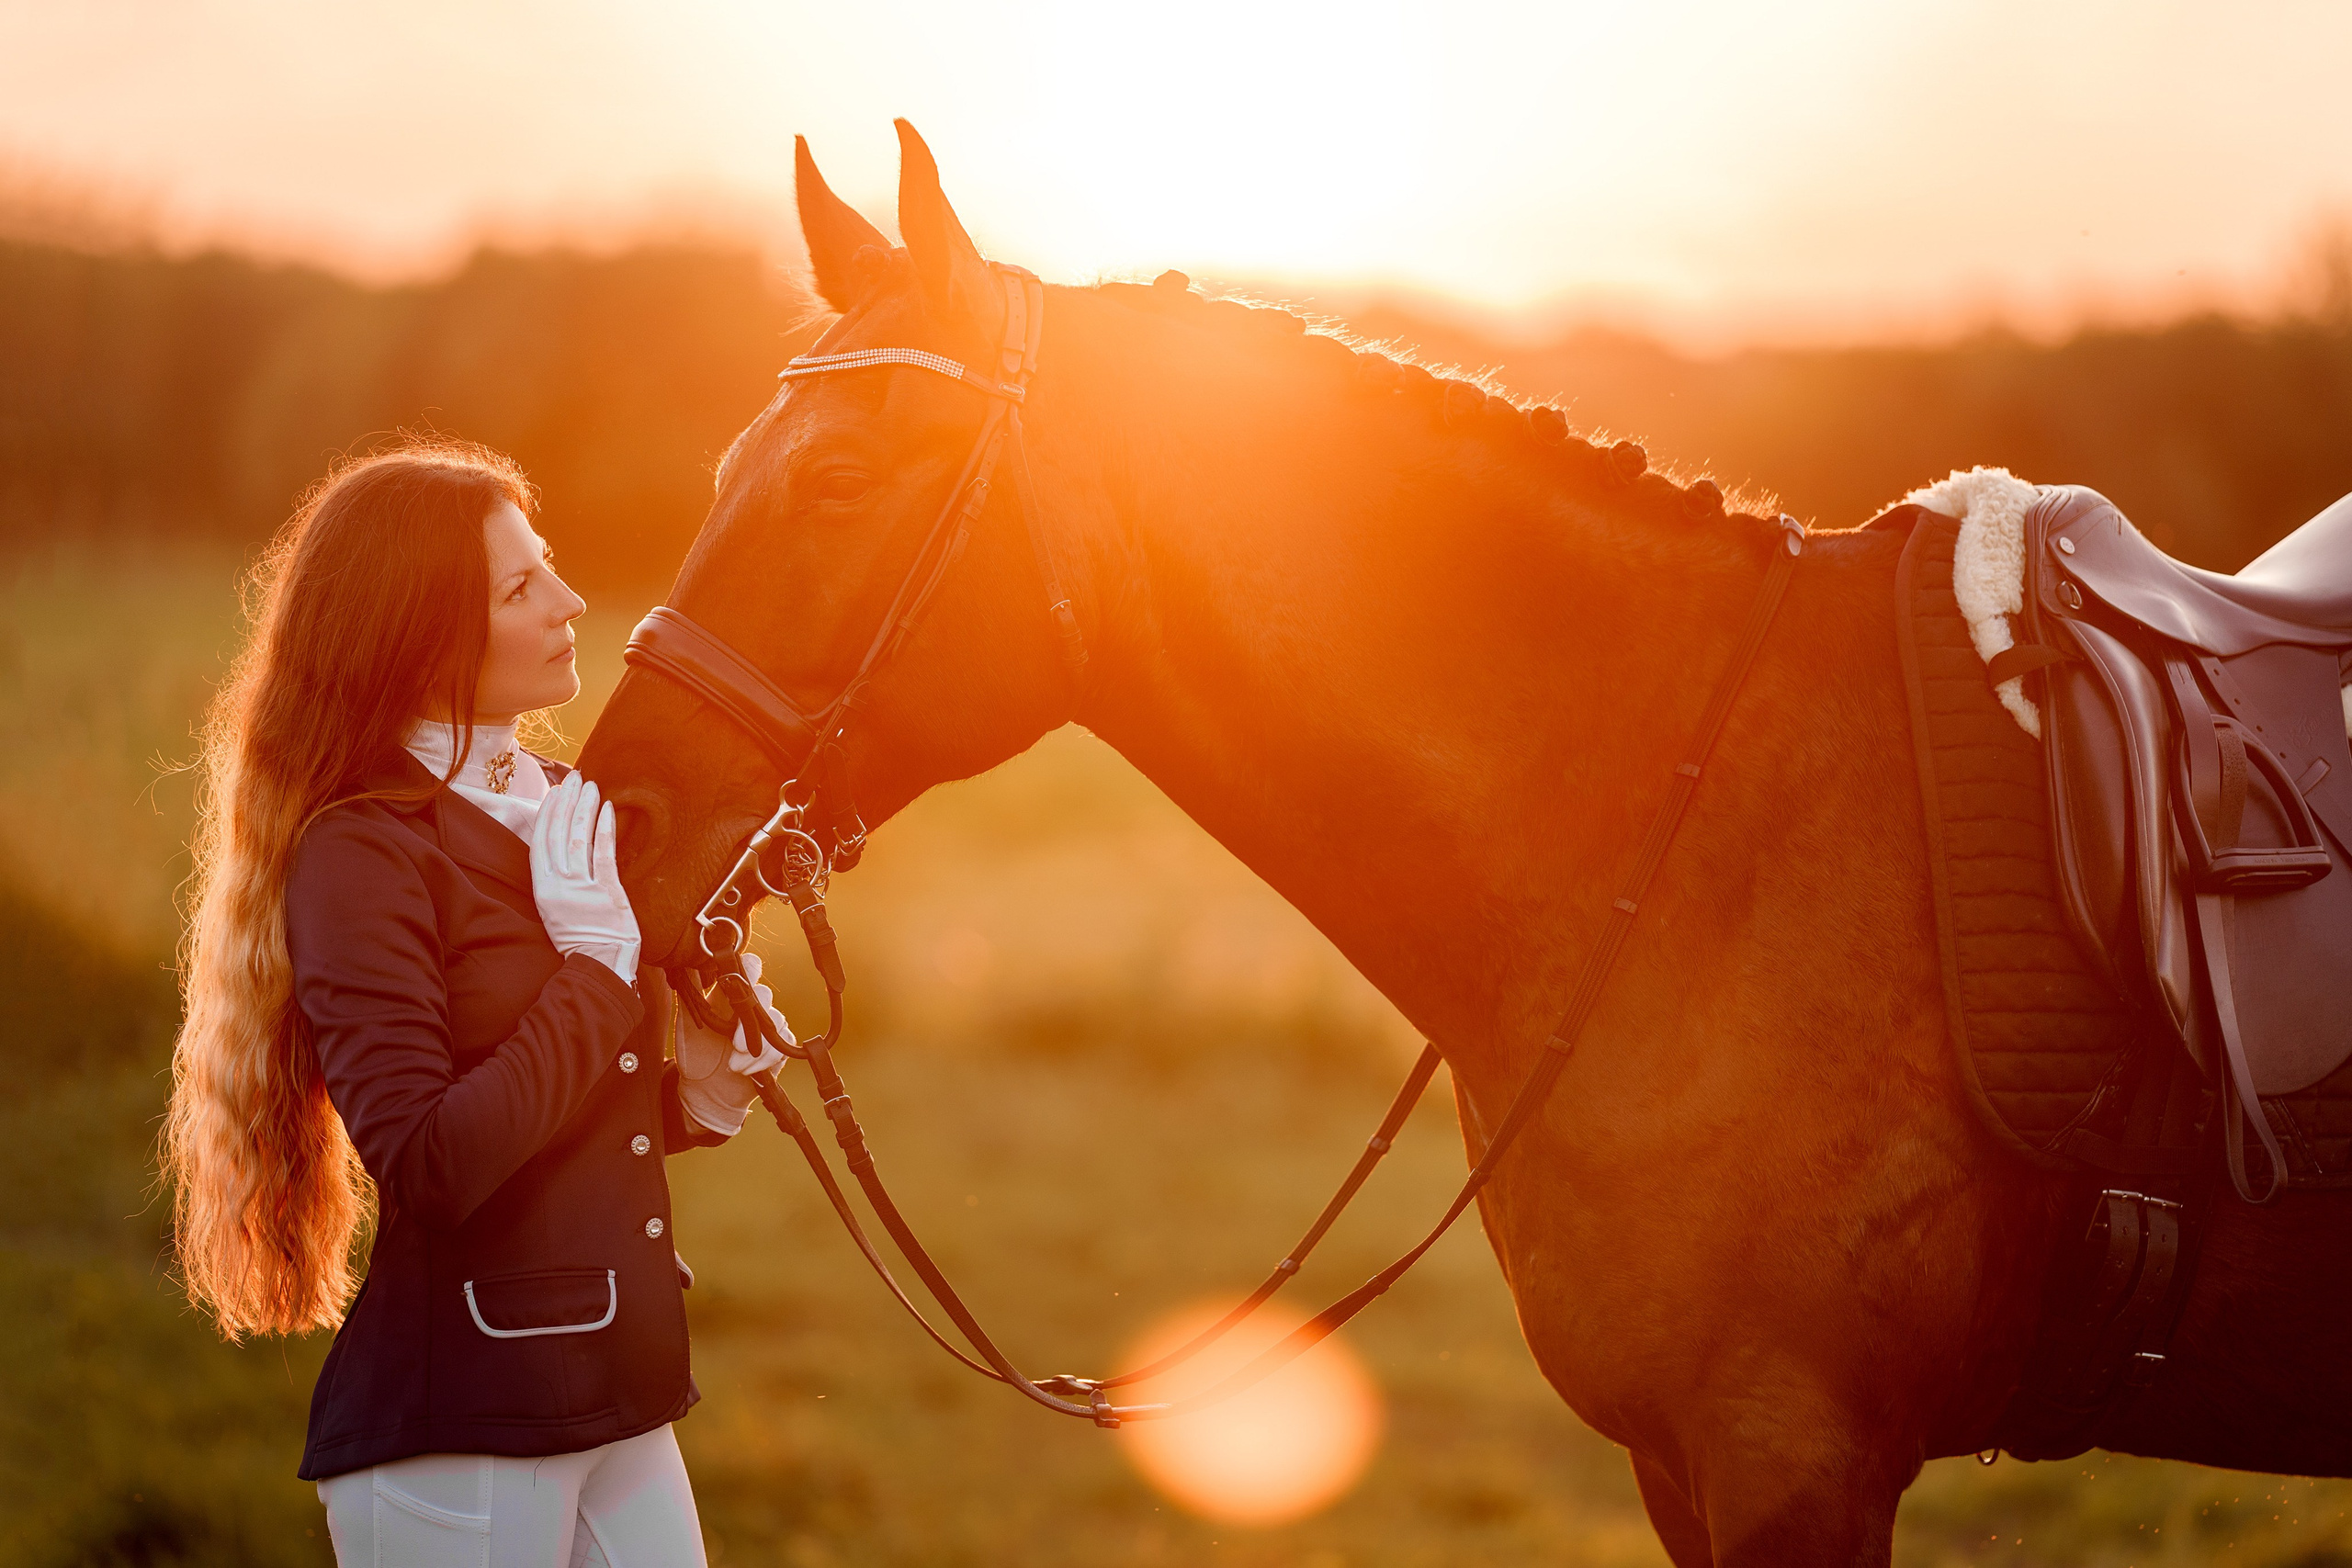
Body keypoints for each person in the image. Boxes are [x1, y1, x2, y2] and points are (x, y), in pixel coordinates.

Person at [161, 439, 786, 1566]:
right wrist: (598, 970)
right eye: (519, 586)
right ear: (422, 640)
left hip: (624, 1395)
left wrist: (701, 1079)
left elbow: (569, 1130)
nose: (570, 600)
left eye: (546, 566)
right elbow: (434, 1162)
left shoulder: (561, 806)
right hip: (462, 1421)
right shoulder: (363, 854)